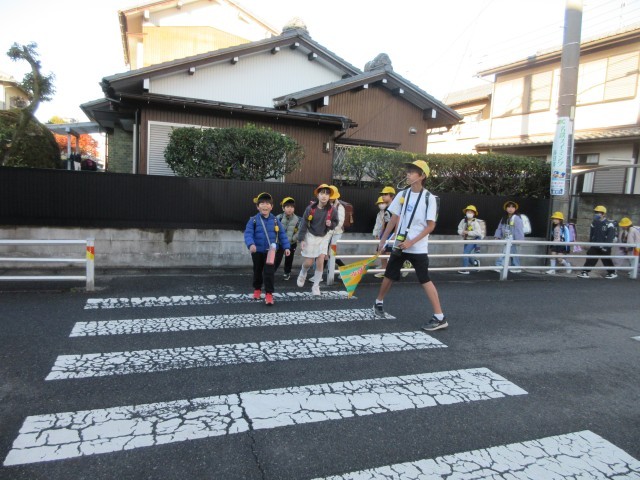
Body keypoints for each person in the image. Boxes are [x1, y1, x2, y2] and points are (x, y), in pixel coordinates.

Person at [373, 160, 447, 331]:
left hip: (417, 247)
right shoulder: (403, 194)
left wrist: (411, 242)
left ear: (422, 176)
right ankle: (378, 302)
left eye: (412, 172)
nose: (408, 174)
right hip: (400, 244)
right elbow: (394, 219)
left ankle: (439, 317)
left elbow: (431, 226)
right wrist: (383, 240)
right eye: (408, 171)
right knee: (389, 274)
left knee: (424, 278)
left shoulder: (429, 198)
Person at [244, 192, 291, 305]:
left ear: (271, 206)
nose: (265, 205)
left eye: (267, 203)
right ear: (257, 206)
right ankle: (257, 289)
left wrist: (286, 247)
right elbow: (248, 234)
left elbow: (282, 234)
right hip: (257, 251)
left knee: (269, 273)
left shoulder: (275, 220)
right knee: (257, 271)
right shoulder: (253, 220)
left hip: (271, 252)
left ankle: (269, 294)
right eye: (262, 203)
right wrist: (251, 244)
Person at [297, 184, 339, 295]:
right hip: (310, 236)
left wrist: (331, 224)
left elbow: (336, 222)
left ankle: (316, 286)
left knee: (320, 260)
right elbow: (304, 224)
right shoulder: (310, 208)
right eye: (322, 193)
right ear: (318, 195)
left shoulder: (332, 210)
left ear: (329, 196)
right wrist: (301, 239)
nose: (324, 196)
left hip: (324, 237)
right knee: (309, 262)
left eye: (327, 194)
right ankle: (303, 272)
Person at [577, 205, 618, 279]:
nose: (596, 214)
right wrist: (591, 243)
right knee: (591, 258)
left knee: (606, 260)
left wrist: (606, 247)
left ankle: (612, 273)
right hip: (595, 245)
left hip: (605, 246)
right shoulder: (594, 223)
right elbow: (592, 234)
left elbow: (610, 237)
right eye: (596, 212)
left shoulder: (609, 224)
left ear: (603, 214)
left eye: (598, 213)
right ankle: (585, 272)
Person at [274, 197, 300, 281]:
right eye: (287, 207)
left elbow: (299, 231)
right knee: (277, 258)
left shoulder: (298, 219)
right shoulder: (279, 217)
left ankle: (287, 272)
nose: (290, 209)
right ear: (283, 208)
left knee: (289, 259)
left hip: (292, 243)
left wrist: (292, 239)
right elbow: (274, 229)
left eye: (292, 207)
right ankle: (271, 272)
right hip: (280, 243)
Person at [494, 200, 524, 273]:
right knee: (512, 253)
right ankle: (515, 267)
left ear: (515, 209)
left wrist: (519, 240)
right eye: (509, 207)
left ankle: (499, 265)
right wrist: (497, 236)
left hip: (513, 239)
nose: (510, 209)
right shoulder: (504, 218)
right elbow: (499, 227)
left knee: (506, 252)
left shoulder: (516, 218)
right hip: (506, 238)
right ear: (506, 208)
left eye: (512, 207)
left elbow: (519, 229)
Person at [457, 205, 483, 274]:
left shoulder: (475, 222)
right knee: (467, 254)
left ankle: (465, 269)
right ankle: (475, 263)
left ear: (474, 214)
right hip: (466, 240)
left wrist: (468, 232)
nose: (469, 213)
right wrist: (462, 232)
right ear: (465, 212)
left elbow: (478, 232)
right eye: (468, 212)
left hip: (473, 240)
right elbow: (459, 229)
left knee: (465, 254)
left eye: (471, 212)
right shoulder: (463, 221)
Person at [328, 185, 346, 268]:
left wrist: (330, 230)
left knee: (331, 252)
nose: (330, 198)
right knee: (325, 252)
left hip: (336, 233)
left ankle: (343, 267)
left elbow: (339, 223)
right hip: (327, 233)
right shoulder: (326, 205)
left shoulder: (340, 207)